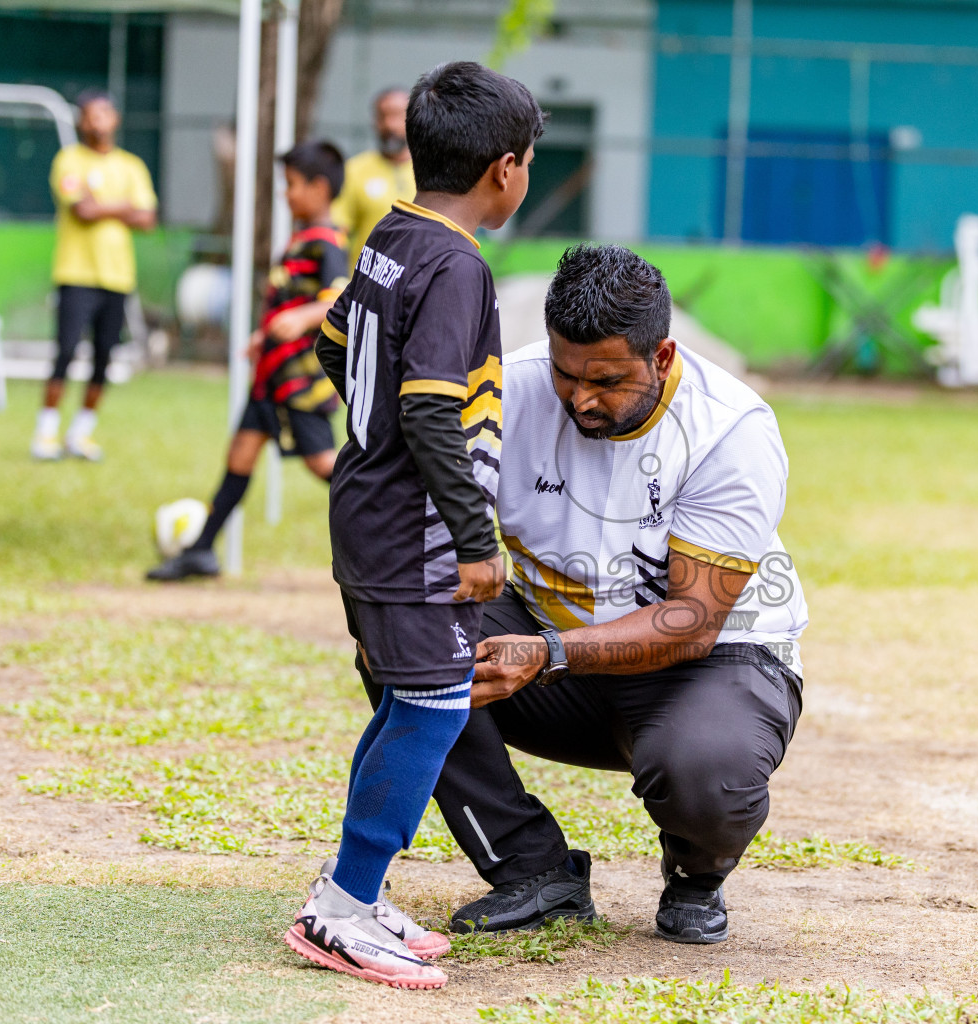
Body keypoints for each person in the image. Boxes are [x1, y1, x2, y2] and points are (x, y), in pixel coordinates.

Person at [433, 244, 809, 946]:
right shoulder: (508, 391)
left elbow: (694, 621)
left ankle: (698, 869)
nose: (580, 398)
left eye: (605, 380)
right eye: (564, 373)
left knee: (706, 772)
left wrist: (546, 653)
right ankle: (533, 869)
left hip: (708, 664)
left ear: (662, 357)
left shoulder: (730, 429)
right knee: (409, 636)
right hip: (556, 654)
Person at [283, 61, 543, 989]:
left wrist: (369, 427)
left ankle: (355, 888)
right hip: (413, 533)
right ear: (505, 170)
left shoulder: (392, 234)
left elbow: (335, 339)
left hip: (365, 509)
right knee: (432, 705)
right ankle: (343, 909)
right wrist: (477, 541)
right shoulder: (458, 264)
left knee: (405, 701)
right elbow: (434, 409)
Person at [146, 141, 350, 581]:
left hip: (299, 379)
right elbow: (287, 301)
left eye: (292, 185)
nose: (286, 194)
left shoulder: (327, 242)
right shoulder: (299, 240)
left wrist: (300, 317)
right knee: (239, 456)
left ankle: (392, 507)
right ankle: (201, 551)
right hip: (271, 375)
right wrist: (265, 334)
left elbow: (338, 300)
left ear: (319, 188)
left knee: (322, 464)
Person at [32, 90, 157, 462]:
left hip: (117, 278)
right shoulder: (69, 160)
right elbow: (83, 210)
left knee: (104, 357)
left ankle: (80, 433)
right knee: (66, 351)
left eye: (103, 113)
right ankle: (46, 431)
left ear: (115, 118)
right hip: (76, 273)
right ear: (81, 122)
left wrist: (106, 206)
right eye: (90, 115)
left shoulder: (132, 166)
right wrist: (124, 207)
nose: (96, 121)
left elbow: (147, 217)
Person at [332, 87, 415, 269]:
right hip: (365, 289)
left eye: (395, 116)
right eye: (381, 117)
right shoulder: (354, 170)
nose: (389, 125)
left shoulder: (431, 170)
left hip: (417, 289)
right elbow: (337, 232)